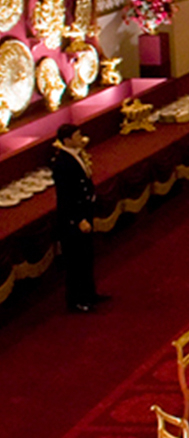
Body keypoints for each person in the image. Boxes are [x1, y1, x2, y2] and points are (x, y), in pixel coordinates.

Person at [49, 122, 102, 313]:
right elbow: (67, 196)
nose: (81, 138)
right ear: (67, 140)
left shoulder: (76, 156)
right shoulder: (62, 163)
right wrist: (79, 219)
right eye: (77, 135)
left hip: (84, 213)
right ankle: (77, 300)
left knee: (86, 257)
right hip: (74, 220)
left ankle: (90, 293)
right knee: (76, 261)